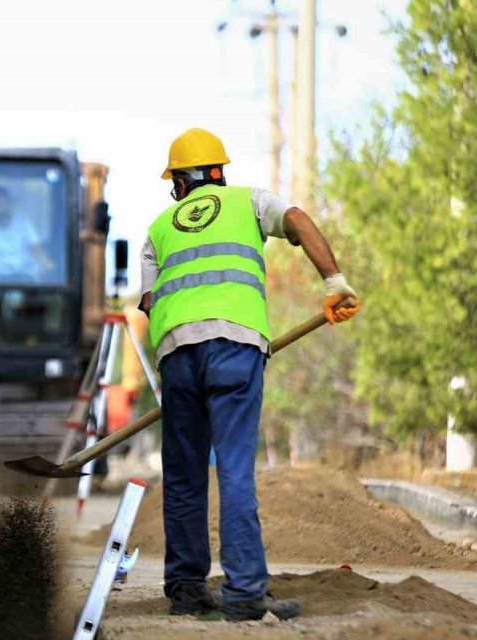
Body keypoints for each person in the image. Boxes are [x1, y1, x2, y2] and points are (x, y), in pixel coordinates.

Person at [137, 128, 361, 622]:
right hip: (235, 347)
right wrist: (335, 283)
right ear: (218, 171)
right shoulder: (249, 201)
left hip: (177, 351)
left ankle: (188, 590)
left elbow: (152, 304)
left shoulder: (157, 229)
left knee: (183, 476)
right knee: (235, 469)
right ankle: (242, 594)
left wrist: (185, 353)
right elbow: (298, 220)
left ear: (181, 182)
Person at [0, 185, 55, 283]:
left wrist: (50, 270)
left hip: (25, 277)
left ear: (9, 203)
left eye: (2, 202)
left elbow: (37, 251)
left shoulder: (24, 223)